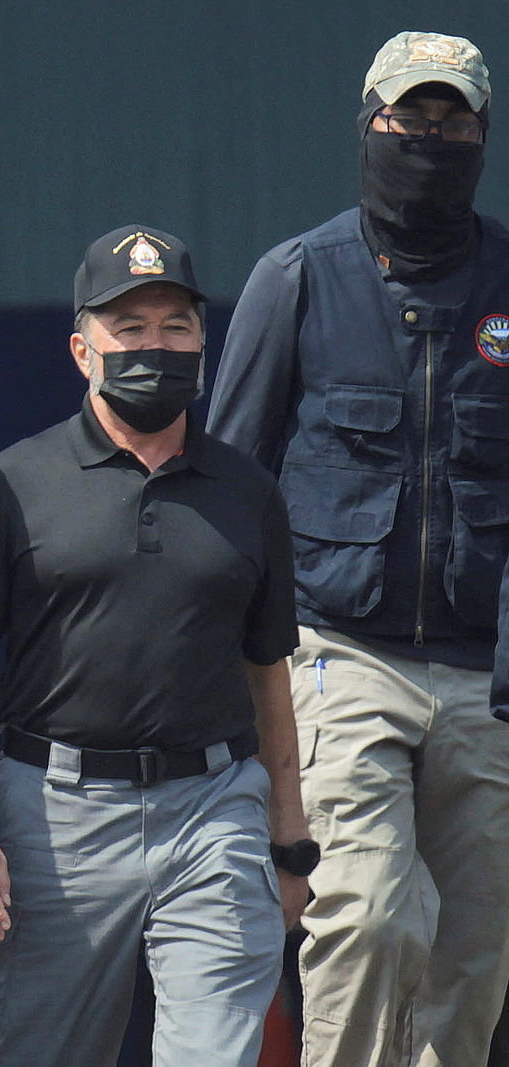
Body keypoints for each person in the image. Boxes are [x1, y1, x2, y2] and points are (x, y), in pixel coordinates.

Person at [0, 225, 310, 1065]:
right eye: (128, 328)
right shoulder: (13, 482)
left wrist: (290, 839)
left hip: (214, 808)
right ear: (81, 348)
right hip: (53, 811)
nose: (155, 347)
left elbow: (268, 673)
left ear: (204, 343)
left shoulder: (248, 492)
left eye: (175, 326)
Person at [206, 31, 509, 1067]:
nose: (429, 138)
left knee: (475, 959)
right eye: (408, 118)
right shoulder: (295, 276)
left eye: (453, 121)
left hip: (489, 674)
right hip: (339, 654)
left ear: (481, 135)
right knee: (369, 917)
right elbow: (230, 492)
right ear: (367, 128)